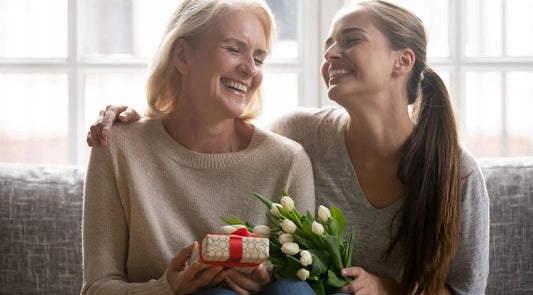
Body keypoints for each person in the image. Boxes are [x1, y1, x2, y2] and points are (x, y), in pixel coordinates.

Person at [87, 1, 489, 294]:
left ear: (402, 61)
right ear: (182, 54)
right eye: (234, 48)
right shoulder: (302, 135)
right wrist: (133, 120)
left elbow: (464, 290)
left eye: (351, 40)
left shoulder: (457, 172)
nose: (330, 53)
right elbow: (208, 127)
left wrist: (389, 289)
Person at [81, 0, 317, 294]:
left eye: (258, 58)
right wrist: (167, 289)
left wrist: (266, 281)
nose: (249, 69)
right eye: (234, 49)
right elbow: (97, 287)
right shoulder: (117, 146)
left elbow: (304, 276)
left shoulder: (287, 161)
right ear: (182, 56)